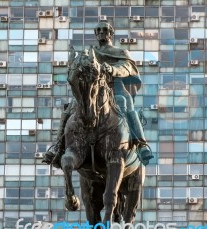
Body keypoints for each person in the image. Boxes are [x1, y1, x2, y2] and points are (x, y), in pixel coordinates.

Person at [43, 22, 153, 167]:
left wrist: (111, 69)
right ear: (95, 33)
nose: (102, 32)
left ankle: (141, 144)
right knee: (71, 108)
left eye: (105, 29)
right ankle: (58, 147)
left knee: (126, 105)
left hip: (115, 88)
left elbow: (127, 68)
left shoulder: (120, 52)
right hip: (93, 90)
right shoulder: (90, 53)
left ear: (111, 33)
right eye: (99, 30)